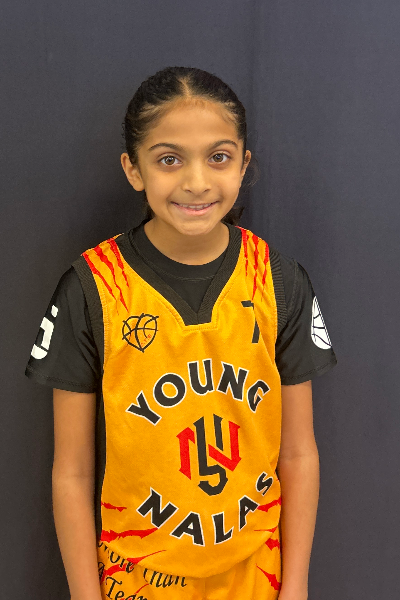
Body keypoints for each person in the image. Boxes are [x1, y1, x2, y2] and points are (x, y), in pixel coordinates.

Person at [25, 66, 338, 600]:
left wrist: (296, 584)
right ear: (133, 169)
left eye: (219, 157)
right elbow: (72, 472)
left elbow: (298, 453)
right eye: (169, 159)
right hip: (138, 581)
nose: (196, 182)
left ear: (244, 164)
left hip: (256, 577)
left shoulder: (277, 280)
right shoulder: (94, 288)